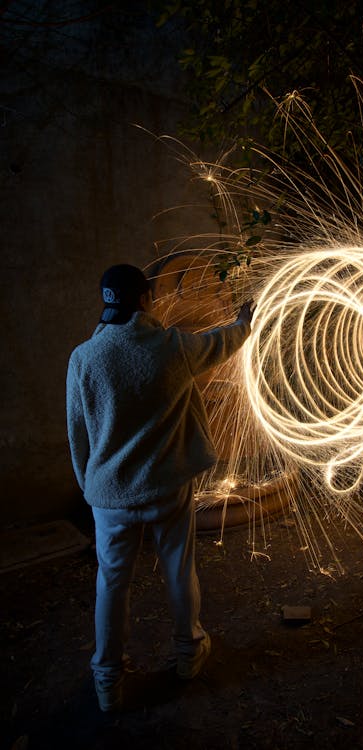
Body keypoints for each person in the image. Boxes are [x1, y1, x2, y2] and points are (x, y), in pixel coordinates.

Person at [66, 263, 254, 712]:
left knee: (112, 582)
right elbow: (221, 343)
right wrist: (245, 322)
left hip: (109, 495)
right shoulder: (172, 348)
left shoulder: (84, 359)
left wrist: (92, 487)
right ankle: (189, 653)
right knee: (178, 570)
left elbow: (77, 435)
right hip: (168, 488)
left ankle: (107, 680)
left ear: (105, 301)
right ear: (147, 299)